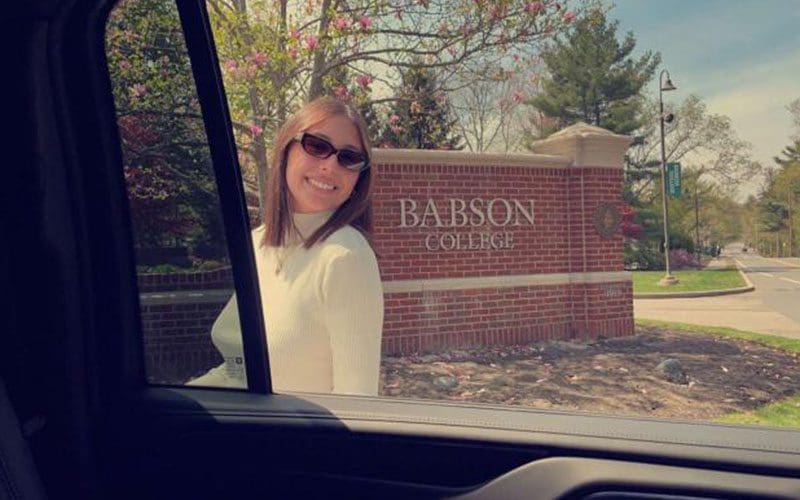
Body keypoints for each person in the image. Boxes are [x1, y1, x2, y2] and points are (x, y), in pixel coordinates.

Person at [188, 97, 384, 395]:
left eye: (349, 158)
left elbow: (358, 401)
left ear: (359, 176)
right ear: (286, 149)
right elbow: (236, 374)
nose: (330, 165)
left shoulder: (345, 257)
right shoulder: (256, 244)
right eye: (317, 146)